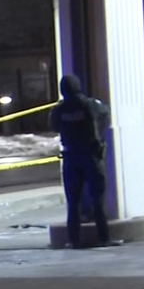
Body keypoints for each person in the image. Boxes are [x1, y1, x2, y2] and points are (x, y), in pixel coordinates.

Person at [50, 75, 119, 249]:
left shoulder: (58, 109)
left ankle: (74, 240)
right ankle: (104, 238)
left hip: (70, 157)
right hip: (91, 156)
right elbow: (105, 114)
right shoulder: (90, 104)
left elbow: (54, 126)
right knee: (98, 200)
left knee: (73, 202)